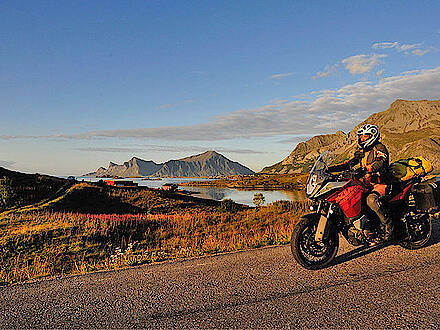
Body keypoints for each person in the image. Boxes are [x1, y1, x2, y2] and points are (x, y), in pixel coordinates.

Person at [328, 124, 393, 243]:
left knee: (371, 200)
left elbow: (381, 162)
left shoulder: (379, 148)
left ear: (373, 136)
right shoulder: (362, 151)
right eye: (361, 137)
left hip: (381, 183)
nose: (362, 139)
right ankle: (364, 229)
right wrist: (330, 169)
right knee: (351, 198)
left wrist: (367, 169)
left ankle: (387, 226)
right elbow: (349, 163)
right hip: (367, 184)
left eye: (365, 136)